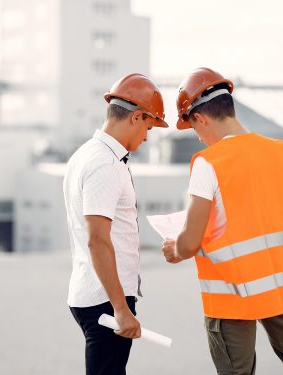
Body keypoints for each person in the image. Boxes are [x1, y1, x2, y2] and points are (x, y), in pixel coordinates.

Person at [162, 67, 283, 375]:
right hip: (282, 286)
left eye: (194, 129)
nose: (198, 138)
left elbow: (189, 242)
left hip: (230, 292)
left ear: (200, 118)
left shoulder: (209, 163)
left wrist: (176, 249)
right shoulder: (282, 154)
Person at [63, 73, 168, 375]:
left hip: (97, 292)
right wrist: (121, 309)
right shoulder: (105, 164)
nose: (147, 136)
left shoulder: (85, 155)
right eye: (148, 127)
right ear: (137, 117)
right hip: (106, 300)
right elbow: (97, 239)